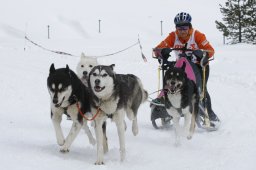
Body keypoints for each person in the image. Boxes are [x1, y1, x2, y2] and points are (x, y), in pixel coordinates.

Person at [153, 12, 220, 129]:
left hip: (199, 66)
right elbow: (157, 49)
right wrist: (161, 52)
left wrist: (202, 53)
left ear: (189, 27)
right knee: (171, 81)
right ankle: (166, 103)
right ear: (176, 28)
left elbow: (210, 51)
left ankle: (209, 114)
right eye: (179, 28)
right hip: (181, 67)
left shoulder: (197, 35)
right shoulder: (173, 36)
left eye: (185, 28)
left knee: (201, 89)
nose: (182, 31)